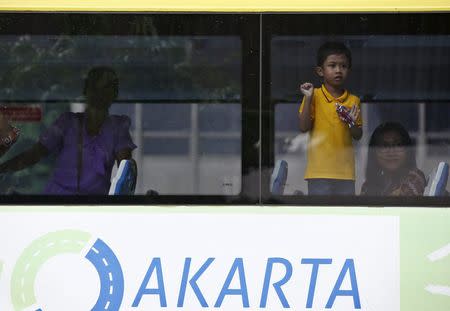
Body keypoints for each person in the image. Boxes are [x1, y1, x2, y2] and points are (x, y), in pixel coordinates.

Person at [0, 66, 136, 194]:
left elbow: (126, 172)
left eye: (107, 88)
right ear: (86, 91)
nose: (100, 93)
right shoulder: (67, 122)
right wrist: (3, 169)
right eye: (95, 86)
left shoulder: (118, 127)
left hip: (94, 207)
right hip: (53, 202)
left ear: (115, 94)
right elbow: (35, 154)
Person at [298, 42, 362, 195]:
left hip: (345, 173)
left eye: (343, 66)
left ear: (349, 70)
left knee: (345, 216)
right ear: (320, 71)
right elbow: (303, 127)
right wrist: (308, 98)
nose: (338, 70)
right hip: (319, 173)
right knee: (320, 217)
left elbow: (358, 135)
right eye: (332, 65)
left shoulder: (354, 100)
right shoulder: (314, 95)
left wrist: (352, 122)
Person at [361, 122, 426, 196]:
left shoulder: (415, 178)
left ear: (407, 151)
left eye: (398, 145)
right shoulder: (367, 185)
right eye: (384, 146)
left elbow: (395, 205)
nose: (391, 152)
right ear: (374, 153)